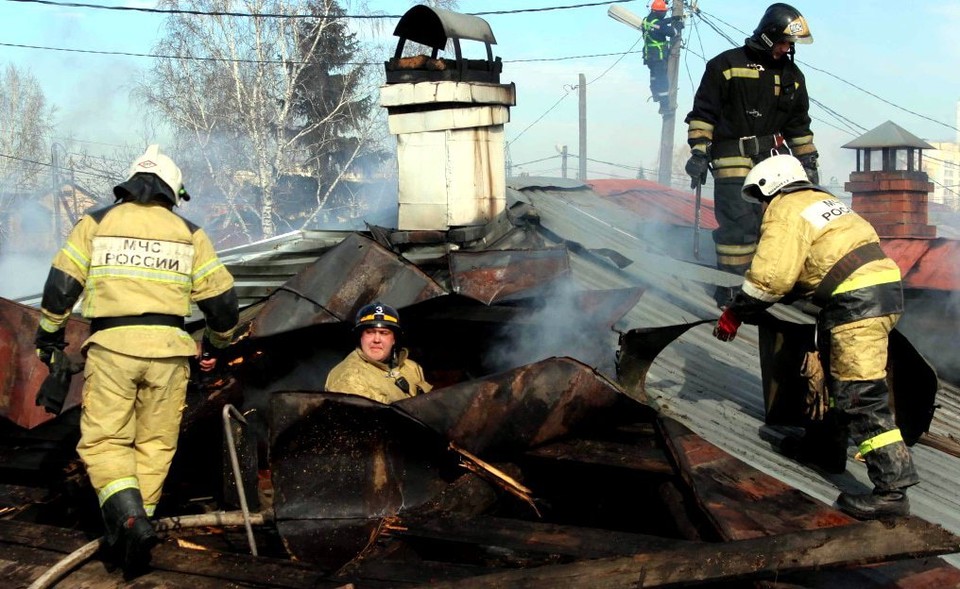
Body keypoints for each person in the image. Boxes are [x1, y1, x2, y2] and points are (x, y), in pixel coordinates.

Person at [34, 145, 239, 573]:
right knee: (156, 444)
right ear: (171, 190)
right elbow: (223, 305)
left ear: (129, 185)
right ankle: (134, 536)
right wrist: (217, 347)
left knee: (105, 441)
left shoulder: (96, 222)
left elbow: (60, 287)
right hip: (170, 353)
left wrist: (49, 336)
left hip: (113, 349)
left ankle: (128, 521)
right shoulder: (190, 232)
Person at [712, 154, 918, 520]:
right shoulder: (824, 204)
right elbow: (811, 268)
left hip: (857, 302)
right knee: (837, 381)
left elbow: (771, 278)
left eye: (760, 200)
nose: (760, 209)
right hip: (873, 293)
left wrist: (736, 312)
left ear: (769, 189)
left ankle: (892, 489)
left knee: (860, 393)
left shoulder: (786, 209)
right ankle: (824, 448)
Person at [684, 3, 819, 306]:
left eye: (790, 44)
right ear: (770, 36)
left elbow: (799, 124)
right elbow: (704, 113)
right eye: (784, 42)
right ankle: (731, 288)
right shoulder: (725, 65)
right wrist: (699, 152)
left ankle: (763, 287)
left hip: (773, 159)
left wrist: (808, 160)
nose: (787, 49)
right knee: (739, 225)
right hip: (732, 156)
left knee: (775, 222)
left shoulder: (793, 77)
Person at [325, 301, 432, 403]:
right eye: (370, 332)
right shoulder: (348, 378)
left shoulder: (412, 367)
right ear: (360, 337)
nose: (376, 340)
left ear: (394, 339)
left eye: (384, 333)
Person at [640, 0, 682, 112]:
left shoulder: (646, 21)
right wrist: (678, 26)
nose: (664, 13)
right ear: (659, 12)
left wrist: (671, 19)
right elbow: (673, 33)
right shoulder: (659, 25)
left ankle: (655, 95)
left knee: (654, 77)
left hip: (649, 56)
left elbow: (658, 23)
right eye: (663, 11)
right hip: (658, 57)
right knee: (663, 81)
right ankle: (665, 107)